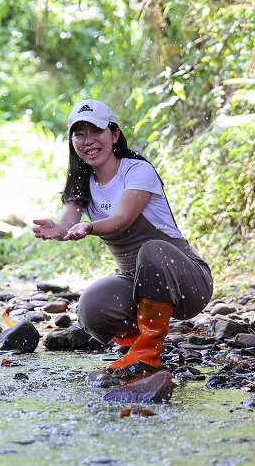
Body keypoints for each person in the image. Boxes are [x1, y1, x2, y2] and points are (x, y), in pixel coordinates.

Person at [32, 99, 213, 377]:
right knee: (90, 307)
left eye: (96, 131)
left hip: (187, 282)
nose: (88, 140)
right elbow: (67, 221)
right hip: (134, 283)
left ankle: (147, 353)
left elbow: (122, 220)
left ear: (114, 135)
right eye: (79, 133)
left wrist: (89, 227)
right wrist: (57, 229)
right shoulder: (81, 183)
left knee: (153, 250)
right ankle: (135, 342)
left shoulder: (137, 171)